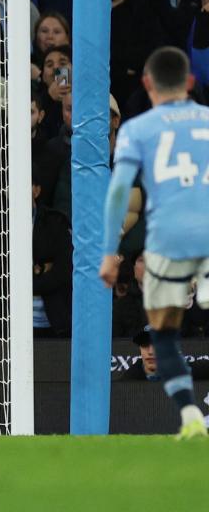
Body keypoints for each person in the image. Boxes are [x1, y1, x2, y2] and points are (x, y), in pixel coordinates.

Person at [100, 47, 209, 438]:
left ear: (147, 85)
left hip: (169, 244)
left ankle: (191, 415)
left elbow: (117, 194)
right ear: (190, 83)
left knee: (162, 335)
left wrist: (110, 251)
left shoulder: (137, 129)